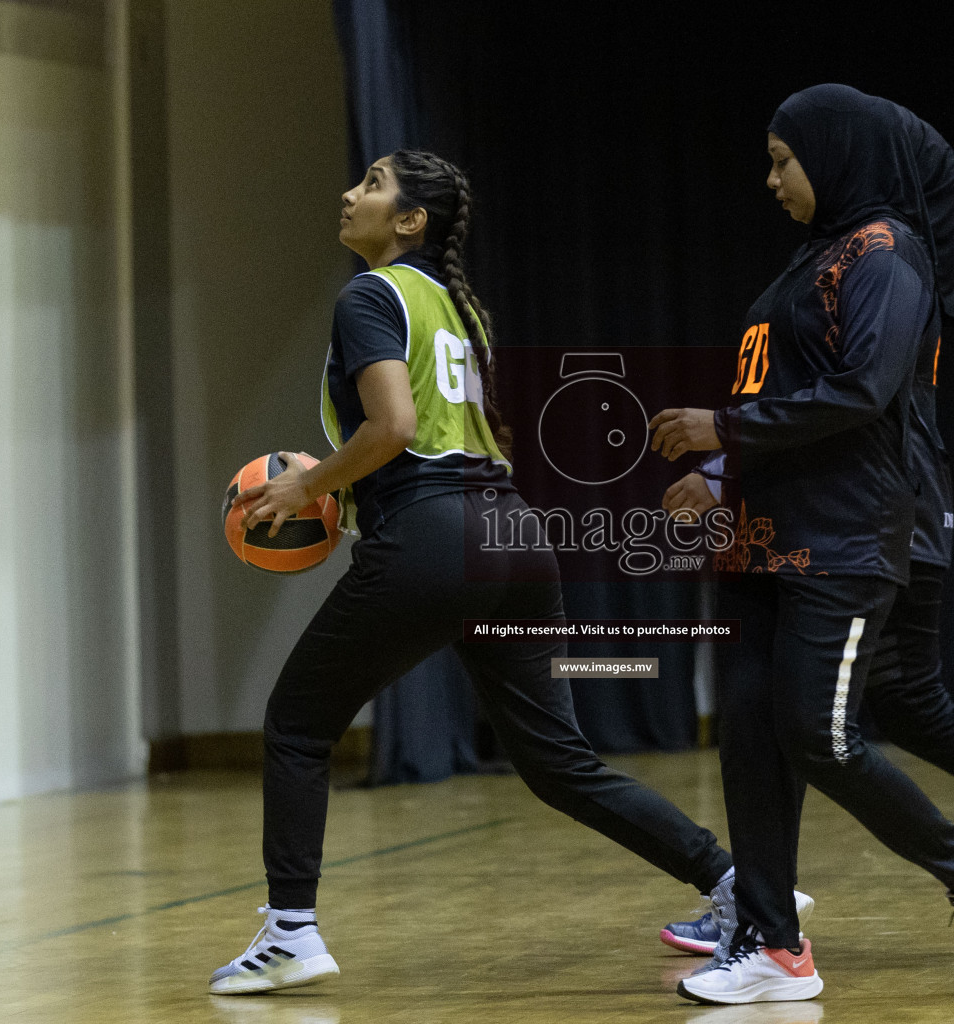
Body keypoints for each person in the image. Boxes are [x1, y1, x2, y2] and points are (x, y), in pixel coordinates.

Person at [207, 150, 741, 994]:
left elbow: (392, 428)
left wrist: (310, 483)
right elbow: (454, 440)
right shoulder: (462, 310)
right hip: (515, 534)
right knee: (560, 762)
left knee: (298, 724)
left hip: (438, 534)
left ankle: (291, 932)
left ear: (410, 221)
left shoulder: (370, 295)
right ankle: (737, 888)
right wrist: (353, 502)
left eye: (374, 185)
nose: (351, 193)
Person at [659, 90, 954, 965]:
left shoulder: (883, 256)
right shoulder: (814, 261)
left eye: (781, 158)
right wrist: (727, 473)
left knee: (843, 716)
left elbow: (862, 400)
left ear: (837, 156)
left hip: (876, 515)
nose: (767, 178)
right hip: (815, 514)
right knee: (883, 703)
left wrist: (724, 442)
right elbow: (782, 400)